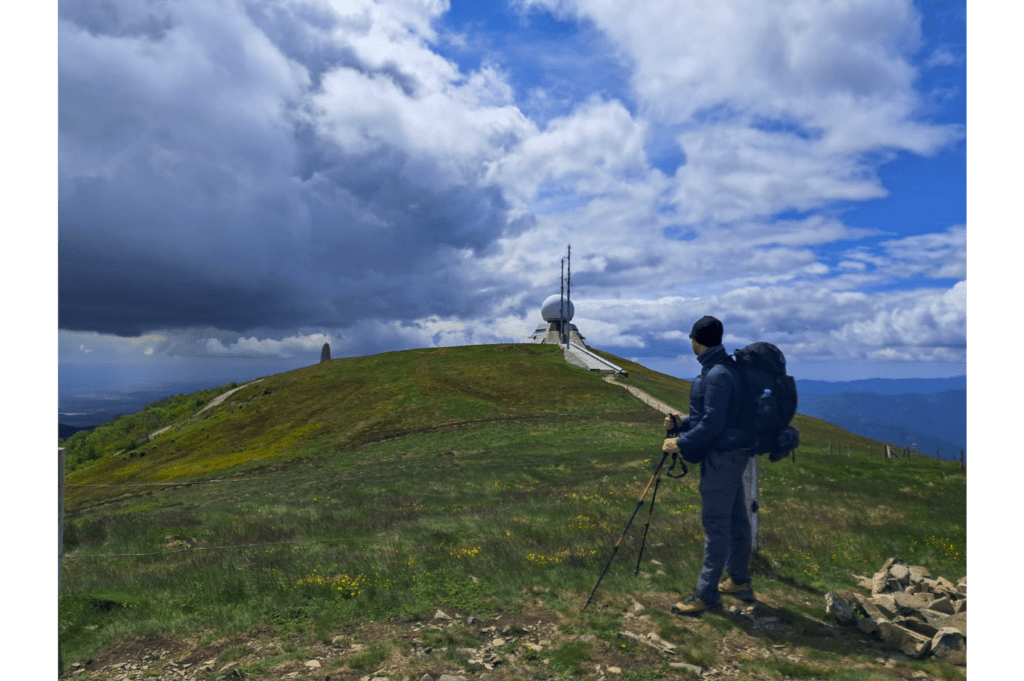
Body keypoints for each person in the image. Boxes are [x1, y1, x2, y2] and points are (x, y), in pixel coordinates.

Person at [661, 315, 755, 615]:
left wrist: (681, 442)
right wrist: (682, 422)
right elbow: (713, 418)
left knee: (716, 526)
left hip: (722, 458)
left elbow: (713, 425)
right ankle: (739, 580)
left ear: (696, 341)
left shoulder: (716, 375)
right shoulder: (726, 370)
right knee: (737, 518)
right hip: (735, 454)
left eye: (691, 338)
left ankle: (706, 594)